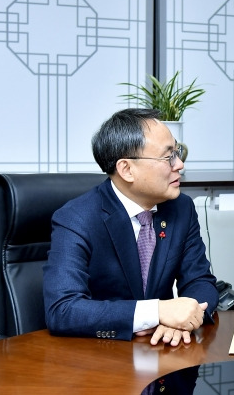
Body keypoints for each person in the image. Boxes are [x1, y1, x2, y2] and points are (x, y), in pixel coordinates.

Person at [43, 108, 218, 346]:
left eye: (177, 152)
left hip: (162, 356)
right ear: (126, 169)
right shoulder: (76, 219)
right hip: (100, 359)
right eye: (168, 157)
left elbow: (201, 282)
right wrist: (156, 312)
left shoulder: (181, 208)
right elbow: (63, 310)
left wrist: (183, 319)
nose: (180, 165)